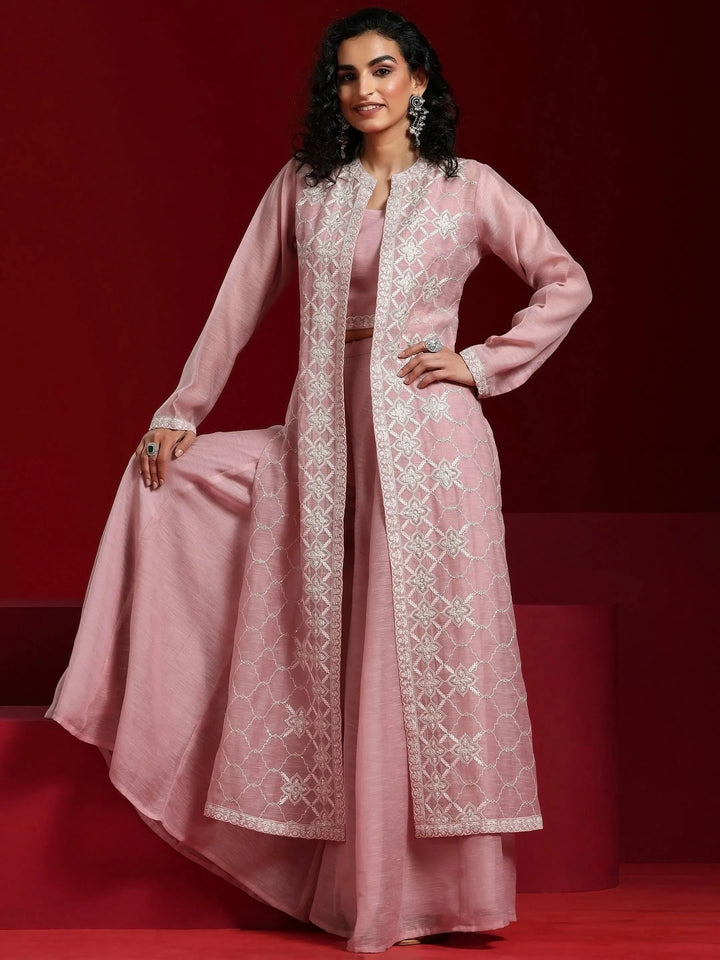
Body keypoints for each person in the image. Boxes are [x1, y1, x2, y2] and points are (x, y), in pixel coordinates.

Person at [46, 6, 592, 954]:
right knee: (177, 488)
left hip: (431, 447)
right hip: (326, 435)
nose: (364, 89)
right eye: (347, 75)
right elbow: (237, 304)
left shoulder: (467, 188)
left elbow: (565, 281)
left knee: (414, 656)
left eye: (382, 70)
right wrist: (180, 412)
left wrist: (480, 363)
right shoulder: (306, 186)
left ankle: (433, 897)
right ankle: (354, 888)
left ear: (419, 82)